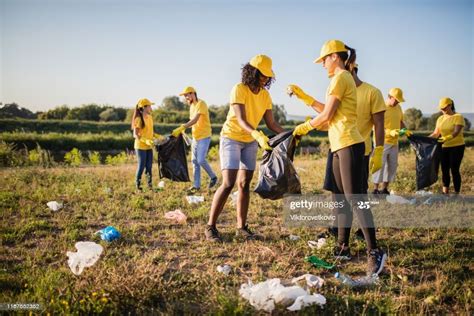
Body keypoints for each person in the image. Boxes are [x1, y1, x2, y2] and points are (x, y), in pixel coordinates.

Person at [291, 40, 386, 275]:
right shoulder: (340, 80)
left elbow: (326, 116)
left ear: (334, 56)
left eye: (323, 60)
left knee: (356, 198)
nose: (322, 65)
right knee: (339, 198)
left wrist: (304, 127)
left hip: (350, 144)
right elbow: (329, 118)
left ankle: (375, 251)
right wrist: (307, 100)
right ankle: (343, 247)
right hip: (338, 145)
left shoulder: (341, 77)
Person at [205, 54, 285, 242]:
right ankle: (210, 227)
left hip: (249, 140)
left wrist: (289, 134)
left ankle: (241, 227)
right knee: (228, 182)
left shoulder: (265, 95)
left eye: (267, 76)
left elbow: (271, 123)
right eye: (262, 75)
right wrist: (256, 133)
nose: (265, 79)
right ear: (253, 72)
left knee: (244, 184)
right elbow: (241, 119)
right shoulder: (239, 89)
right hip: (231, 137)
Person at [172, 87, 218, 193]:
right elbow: (191, 120)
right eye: (184, 96)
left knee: (200, 160)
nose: (186, 98)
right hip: (195, 137)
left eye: (187, 95)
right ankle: (196, 185)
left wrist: (183, 127)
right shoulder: (192, 106)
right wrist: (183, 131)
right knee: (194, 161)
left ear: (193, 93)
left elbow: (195, 119)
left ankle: (213, 177)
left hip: (204, 136)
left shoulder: (201, 104)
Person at [371, 88, 411, 195]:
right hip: (382, 142)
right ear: (390, 97)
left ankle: (384, 189)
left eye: (399, 100)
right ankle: (375, 189)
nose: (398, 102)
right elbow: (376, 125)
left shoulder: (398, 108)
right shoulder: (381, 108)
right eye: (396, 100)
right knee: (380, 165)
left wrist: (405, 130)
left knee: (392, 166)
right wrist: (390, 132)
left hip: (394, 142)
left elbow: (400, 121)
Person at [429, 97, 465, 194]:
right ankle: (445, 193)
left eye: (444, 107)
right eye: (441, 108)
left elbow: (456, 132)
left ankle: (457, 193)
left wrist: (446, 138)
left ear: (450, 105)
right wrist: (426, 139)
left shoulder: (458, 117)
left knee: (454, 169)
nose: (442, 110)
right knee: (444, 169)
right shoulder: (440, 119)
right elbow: (436, 133)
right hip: (444, 147)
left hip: (457, 146)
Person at [131, 98, 163, 191]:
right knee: (141, 166)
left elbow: (150, 132)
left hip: (149, 146)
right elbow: (135, 135)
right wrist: (146, 141)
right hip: (140, 146)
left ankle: (149, 186)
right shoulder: (138, 119)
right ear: (144, 107)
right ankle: (138, 186)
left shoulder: (150, 118)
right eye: (149, 106)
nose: (151, 107)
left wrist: (157, 136)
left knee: (149, 166)